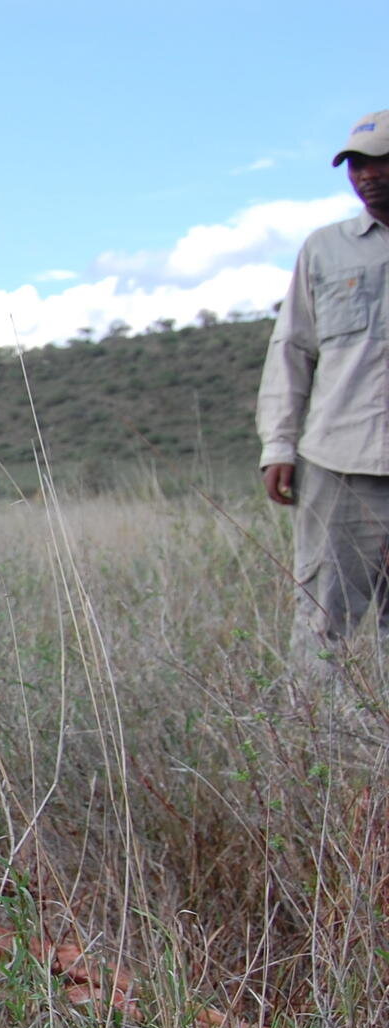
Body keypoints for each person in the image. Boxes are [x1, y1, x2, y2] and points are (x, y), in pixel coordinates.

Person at [258, 109, 389, 678]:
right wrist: (279, 445)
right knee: (322, 619)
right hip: (339, 462)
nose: (366, 175)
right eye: (356, 164)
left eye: (380, 162)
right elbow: (292, 348)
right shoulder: (325, 250)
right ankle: (315, 754)